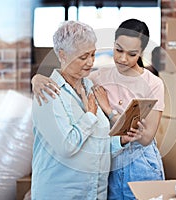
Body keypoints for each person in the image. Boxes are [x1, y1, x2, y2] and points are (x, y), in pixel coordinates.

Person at [32, 18, 165, 199]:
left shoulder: (91, 86)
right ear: (62, 55)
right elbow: (67, 145)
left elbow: (102, 142)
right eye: (83, 57)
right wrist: (36, 78)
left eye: (93, 55)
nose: (90, 62)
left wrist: (119, 133)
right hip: (72, 188)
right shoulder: (60, 90)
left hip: (108, 182)